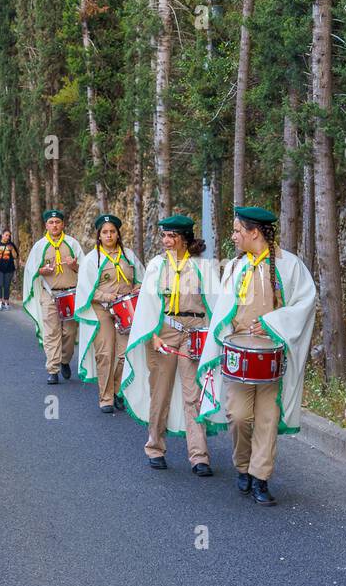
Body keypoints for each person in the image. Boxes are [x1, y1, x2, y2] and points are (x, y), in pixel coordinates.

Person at [198, 206, 318, 506]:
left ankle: (260, 477)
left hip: (272, 357)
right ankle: (243, 466)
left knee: (267, 417)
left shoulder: (289, 266)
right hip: (238, 355)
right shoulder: (238, 266)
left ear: (255, 232)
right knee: (238, 416)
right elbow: (223, 311)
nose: (234, 236)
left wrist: (271, 325)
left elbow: (306, 302)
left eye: (238, 230)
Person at [121, 214, 221, 473]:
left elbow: (215, 304)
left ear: (184, 239)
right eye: (164, 235)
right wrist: (152, 336)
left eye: (171, 236)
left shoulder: (203, 266)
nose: (166, 240)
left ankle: (199, 456)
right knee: (161, 393)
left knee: (193, 395)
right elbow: (146, 305)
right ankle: (155, 447)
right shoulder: (157, 265)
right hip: (163, 332)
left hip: (193, 334)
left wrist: (210, 336)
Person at [74, 214, 145, 413]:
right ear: (99, 235)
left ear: (117, 233)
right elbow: (86, 290)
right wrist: (108, 296)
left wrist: (138, 288)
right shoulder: (91, 259)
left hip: (125, 310)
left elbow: (141, 278)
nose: (109, 235)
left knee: (124, 354)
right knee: (105, 354)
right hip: (102, 309)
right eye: (105, 232)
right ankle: (105, 397)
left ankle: (117, 390)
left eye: (112, 231)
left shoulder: (128, 255)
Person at [21, 209, 84, 383]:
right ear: (46, 225)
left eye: (57, 222)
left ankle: (65, 360)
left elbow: (86, 270)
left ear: (63, 224)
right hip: (49, 294)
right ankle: (53, 369)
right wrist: (42, 270)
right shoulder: (40, 246)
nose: (54, 225)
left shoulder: (72, 243)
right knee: (51, 332)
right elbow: (31, 269)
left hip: (70, 294)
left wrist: (74, 266)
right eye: (51, 222)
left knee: (70, 332)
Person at [0, 230, 18, 309]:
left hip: (9, 268)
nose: (7, 237)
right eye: (6, 235)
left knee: (7, 285)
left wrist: (12, 249)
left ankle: (6, 301)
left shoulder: (11, 244)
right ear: (2, 235)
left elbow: (15, 256)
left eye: (9, 236)